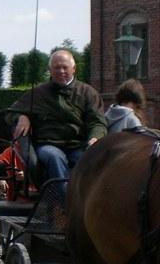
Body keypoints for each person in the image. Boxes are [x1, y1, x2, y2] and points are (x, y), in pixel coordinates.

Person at [9, 49, 107, 194]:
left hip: (78, 145)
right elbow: (11, 112)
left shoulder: (88, 93)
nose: (61, 71)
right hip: (48, 145)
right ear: (50, 70)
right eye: (56, 67)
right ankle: (62, 203)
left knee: (89, 159)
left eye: (65, 67)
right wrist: (22, 117)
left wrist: (95, 138)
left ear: (73, 69)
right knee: (55, 157)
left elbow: (97, 122)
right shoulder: (38, 94)